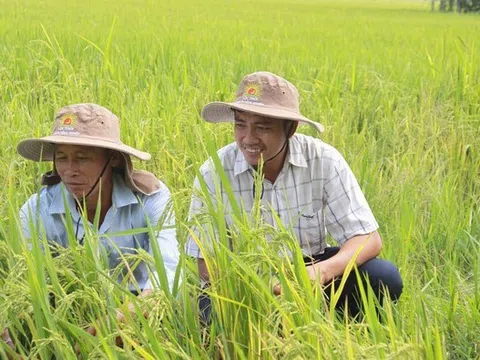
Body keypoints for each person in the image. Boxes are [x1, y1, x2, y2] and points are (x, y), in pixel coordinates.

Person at [186, 71, 403, 321]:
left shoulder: (323, 159)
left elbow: (367, 238)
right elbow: (206, 264)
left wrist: (320, 272)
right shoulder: (213, 172)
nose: (247, 138)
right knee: (211, 313)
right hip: (243, 281)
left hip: (311, 269)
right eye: (240, 125)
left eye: (262, 127)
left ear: (290, 128)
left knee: (383, 277)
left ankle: (341, 330)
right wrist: (263, 287)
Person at [3, 103, 179, 350]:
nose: (69, 171)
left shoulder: (151, 199)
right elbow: (27, 281)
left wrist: (126, 314)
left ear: (114, 160)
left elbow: (168, 273)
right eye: (62, 158)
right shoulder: (37, 209)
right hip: (67, 316)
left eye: (82, 158)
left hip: (140, 311)